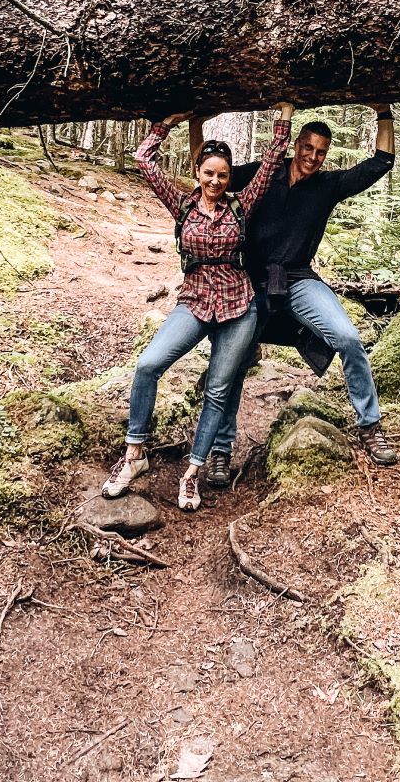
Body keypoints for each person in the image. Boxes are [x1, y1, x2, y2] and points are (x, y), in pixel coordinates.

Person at [189, 104, 398, 487]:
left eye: (321, 151)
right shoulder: (264, 172)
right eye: (308, 147)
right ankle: (220, 450)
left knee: (349, 338)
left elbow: (382, 162)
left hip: (299, 280)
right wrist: (196, 123)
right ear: (297, 143)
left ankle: (370, 426)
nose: (314, 157)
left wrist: (383, 110)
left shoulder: (328, 185)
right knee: (231, 362)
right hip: (248, 283)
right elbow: (210, 173)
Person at [102, 102, 294, 511]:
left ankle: (192, 472)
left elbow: (274, 159)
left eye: (223, 175)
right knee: (148, 365)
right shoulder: (183, 205)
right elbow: (144, 159)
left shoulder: (241, 205)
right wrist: (166, 123)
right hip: (194, 300)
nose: (216, 181)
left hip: (239, 305)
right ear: (198, 172)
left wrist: (284, 115)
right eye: (209, 173)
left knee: (219, 388)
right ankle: (134, 454)